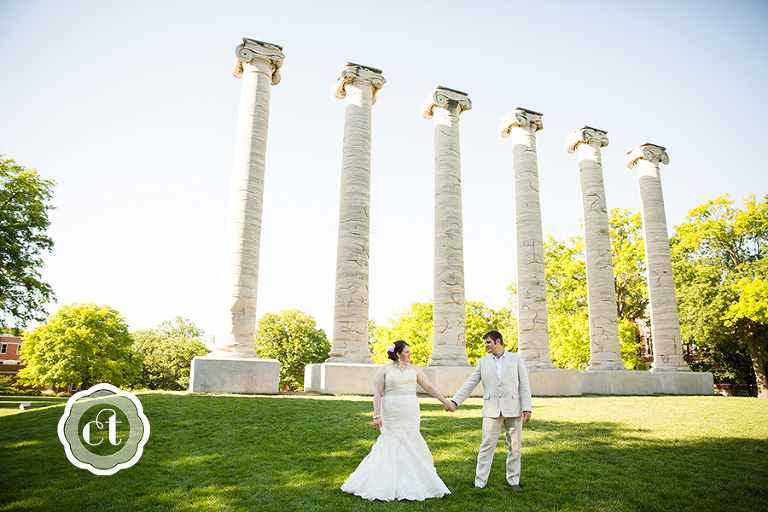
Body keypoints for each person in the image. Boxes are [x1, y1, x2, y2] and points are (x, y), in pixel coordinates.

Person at [341, 340, 454, 501]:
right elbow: (377, 393)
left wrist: (445, 401)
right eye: (406, 352)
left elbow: (429, 387)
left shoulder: (414, 369)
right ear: (397, 353)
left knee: (411, 438)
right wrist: (376, 414)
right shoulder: (384, 370)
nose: (409, 354)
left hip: (410, 409)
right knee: (392, 439)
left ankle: (415, 478)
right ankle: (386, 479)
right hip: (391, 409)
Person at [450, 330, 532, 490]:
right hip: (491, 410)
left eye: (488, 342)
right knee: (486, 446)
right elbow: (470, 384)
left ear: (498, 342)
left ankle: (513, 481)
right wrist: (455, 401)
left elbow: (524, 385)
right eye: (485, 343)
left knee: (515, 447)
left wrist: (527, 408)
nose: (486, 346)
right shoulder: (483, 362)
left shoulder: (516, 359)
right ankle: (479, 482)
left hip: (513, 408)